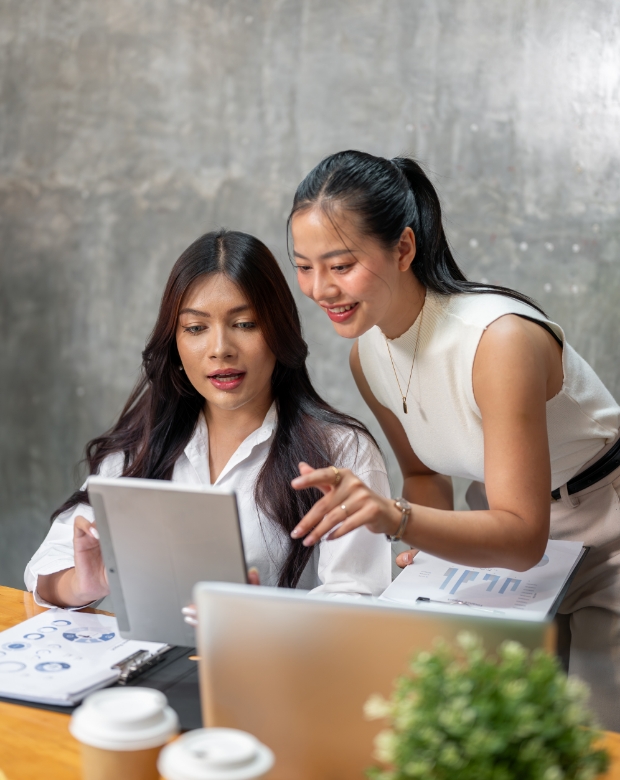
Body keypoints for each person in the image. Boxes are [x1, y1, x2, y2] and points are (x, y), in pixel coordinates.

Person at [286, 150, 620, 730]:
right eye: (304, 266)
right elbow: (422, 478)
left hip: (605, 530)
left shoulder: (497, 340)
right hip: (499, 536)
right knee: (466, 725)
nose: (321, 289)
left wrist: (398, 520)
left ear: (404, 249)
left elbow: (520, 538)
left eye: (340, 265)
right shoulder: (368, 354)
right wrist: (432, 551)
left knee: (596, 735)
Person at [25, 229, 391, 608]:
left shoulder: (341, 451)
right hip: (152, 663)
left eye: (244, 324)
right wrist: (87, 584)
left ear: (278, 332)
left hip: (273, 665)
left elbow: (358, 604)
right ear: (175, 342)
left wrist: (261, 621)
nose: (220, 349)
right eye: (196, 328)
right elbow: (46, 571)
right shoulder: (143, 443)